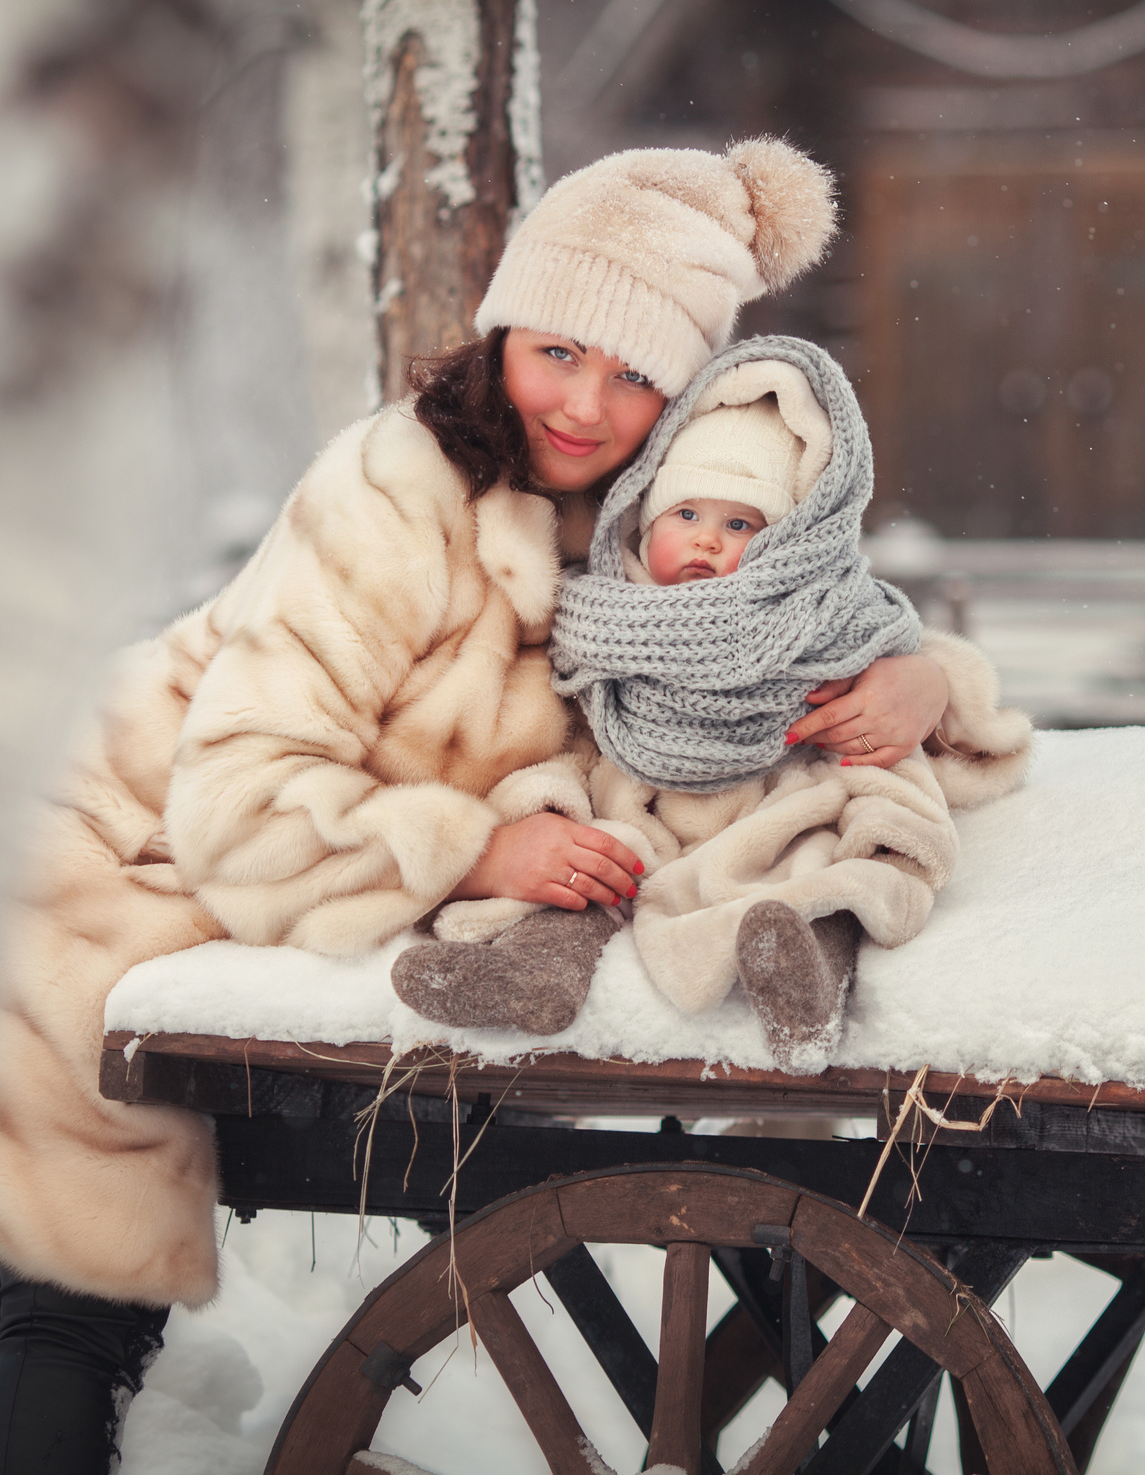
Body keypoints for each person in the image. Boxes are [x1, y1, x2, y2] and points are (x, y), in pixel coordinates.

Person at [0, 139, 958, 1475]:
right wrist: (476, 847)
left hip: (203, 840)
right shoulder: (393, 492)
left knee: (2, 1235)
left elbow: (812, 616)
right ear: (502, 324)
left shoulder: (648, 530)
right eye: (561, 351)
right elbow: (242, 795)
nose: (586, 403)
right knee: (74, 1283)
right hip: (126, 832)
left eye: (639, 376)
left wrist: (916, 676)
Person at [393, 333, 1033, 1070]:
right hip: (641, 801)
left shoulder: (826, 608)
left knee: (827, 866)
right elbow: (562, 708)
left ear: (787, 542)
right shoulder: (601, 610)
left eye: (740, 525)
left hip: (780, 793)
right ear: (644, 516)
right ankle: (534, 972)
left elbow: (905, 663)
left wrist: (931, 681)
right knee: (580, 851)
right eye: (687, 516)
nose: (706, 543)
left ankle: (809, 981)